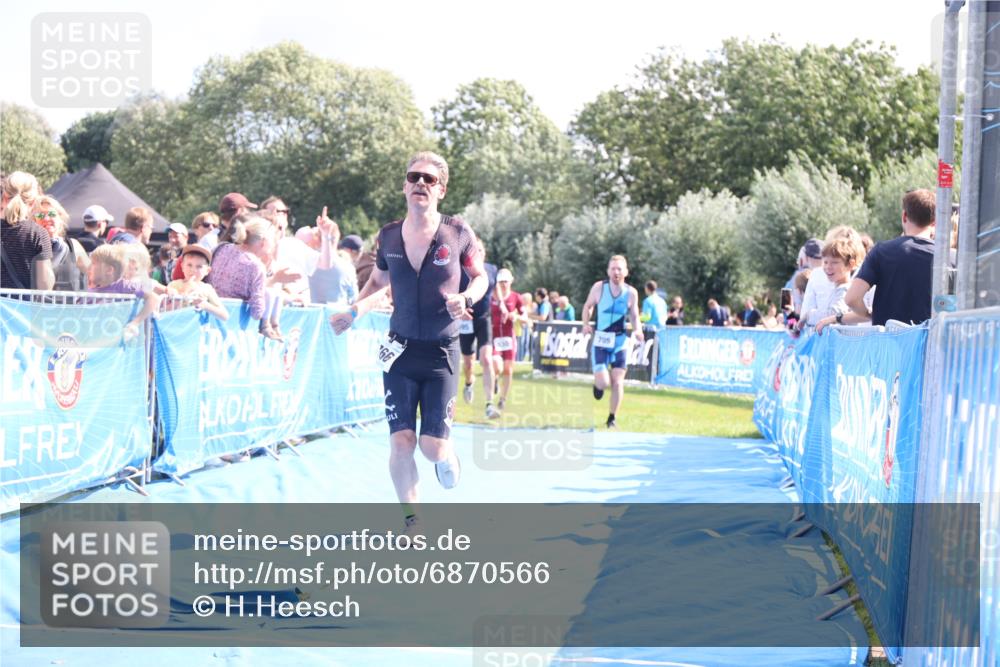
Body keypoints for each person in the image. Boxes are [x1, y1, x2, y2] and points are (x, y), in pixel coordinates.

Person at [329, 151, 488, 531]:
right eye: (414, 176)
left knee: (431, 448)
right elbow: (379, 282)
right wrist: (354, 312)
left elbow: (480, 277)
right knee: (401, 441)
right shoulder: (388, 235)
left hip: (440, 352)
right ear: (404, 186)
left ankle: (446, 454)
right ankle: (412, 520)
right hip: (399, 351)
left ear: (441, 190)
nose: (420, 183)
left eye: (429, 179)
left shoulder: (457, 232)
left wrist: (466, 298)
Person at [845, 189, 936, 327]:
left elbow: (852, 299)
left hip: (888, 337)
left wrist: (868, 315)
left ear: (904, 216)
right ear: (934, 222)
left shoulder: (881, 252)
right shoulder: (948, 258)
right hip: (929, 337)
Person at [581, 255, 644, 429]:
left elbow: (634, 315)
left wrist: (638, 330)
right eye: (613, 269)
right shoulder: (599, 287)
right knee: (604, 382)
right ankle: (598, 385)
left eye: (619, 269)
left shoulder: (631, 293)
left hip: (620, 341)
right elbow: (588, 306)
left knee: (617, 380)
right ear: (608, 271)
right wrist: (586, 324)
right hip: (601, 340)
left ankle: (612, 418)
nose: (616, 272)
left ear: (626, 272)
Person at [209, 215, 283, 339]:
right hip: (233, 327)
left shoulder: (221, 248)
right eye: (273, 240)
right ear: (264, 242)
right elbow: (257, 312)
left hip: (207, 318)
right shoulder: (255, 265)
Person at [458, 239, 499, 418]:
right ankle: (469, 383)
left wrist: (502, 306)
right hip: (466, 320)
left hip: (484, 319)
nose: (479, 253)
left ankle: (490, 404)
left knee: (486, 359)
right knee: (468, 364)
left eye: (481, 250)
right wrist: (460, 309)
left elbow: (495, 291)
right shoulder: (461, 269)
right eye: (476, 250)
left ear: (485, 253)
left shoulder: (492, 269)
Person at [88, 244, 162, 340]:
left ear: (109, 270)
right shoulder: (89, 292)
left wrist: (134, 324)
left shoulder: (124, 286)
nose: (89, 267)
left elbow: (153, 298)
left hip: (116, 342)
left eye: (93, 263)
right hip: (94, 339)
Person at [0, 171, 53, 291]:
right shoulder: (38, 234)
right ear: (33, 202)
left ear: (4, 197)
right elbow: (44, 284)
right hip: (21, 302)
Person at [34, 195, 90, 291]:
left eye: (51, 214)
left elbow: (92, 275)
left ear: (60, 218)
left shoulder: (73, 245)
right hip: (38, 300)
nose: (46, 219)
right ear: (34, 220)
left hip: (69, 301)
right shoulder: (29, 246)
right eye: (40, 215)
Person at [814, 237, 870, 332]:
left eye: (834, 262)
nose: (828, 267)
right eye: (825, 262)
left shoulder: (845, 289)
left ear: (851, 264)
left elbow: (832, 314)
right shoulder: (837, 289)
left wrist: (808, 316)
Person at [490, 268, 527, 413]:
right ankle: (495, 379)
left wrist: (515, 316)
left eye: (506, 281)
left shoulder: (516, 297)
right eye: (501, 282)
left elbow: (525, 318)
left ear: (511, 281)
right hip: (494, 337)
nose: (503, 284)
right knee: (496, 365)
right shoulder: (492, 297)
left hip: (509, 338)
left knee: (508, 369)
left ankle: (503, 399)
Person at [167, 244, 228, 321]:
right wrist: (183, 294)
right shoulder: (174, 285)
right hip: (177, 326)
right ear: (182, 266)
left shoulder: (207, 288)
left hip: (197, 328)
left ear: (207, 271)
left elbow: (224, 316)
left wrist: (205, 305)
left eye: (199, 266)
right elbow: (163, 310)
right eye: (189, 265)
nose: (193, 270)